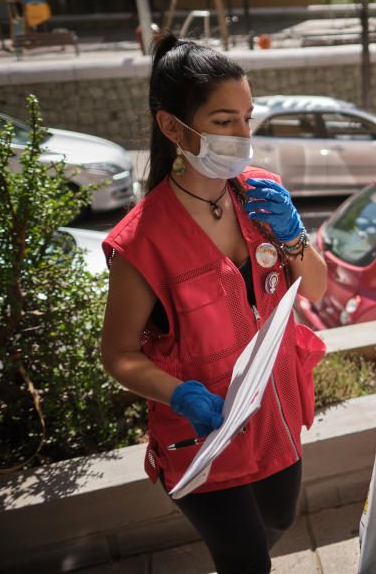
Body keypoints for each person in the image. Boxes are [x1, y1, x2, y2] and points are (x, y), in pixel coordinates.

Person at [100, 35, 328, 573]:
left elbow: (314, 290)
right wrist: (180, 395)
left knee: (280, 518)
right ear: (173, 127)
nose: (244, 135)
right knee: (247, 560)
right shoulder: (142, 241)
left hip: (274, 408)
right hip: (204, 433)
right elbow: (118, 355)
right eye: (225, 121)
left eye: (248, 117)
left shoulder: (261, 196)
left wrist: (294, 238)